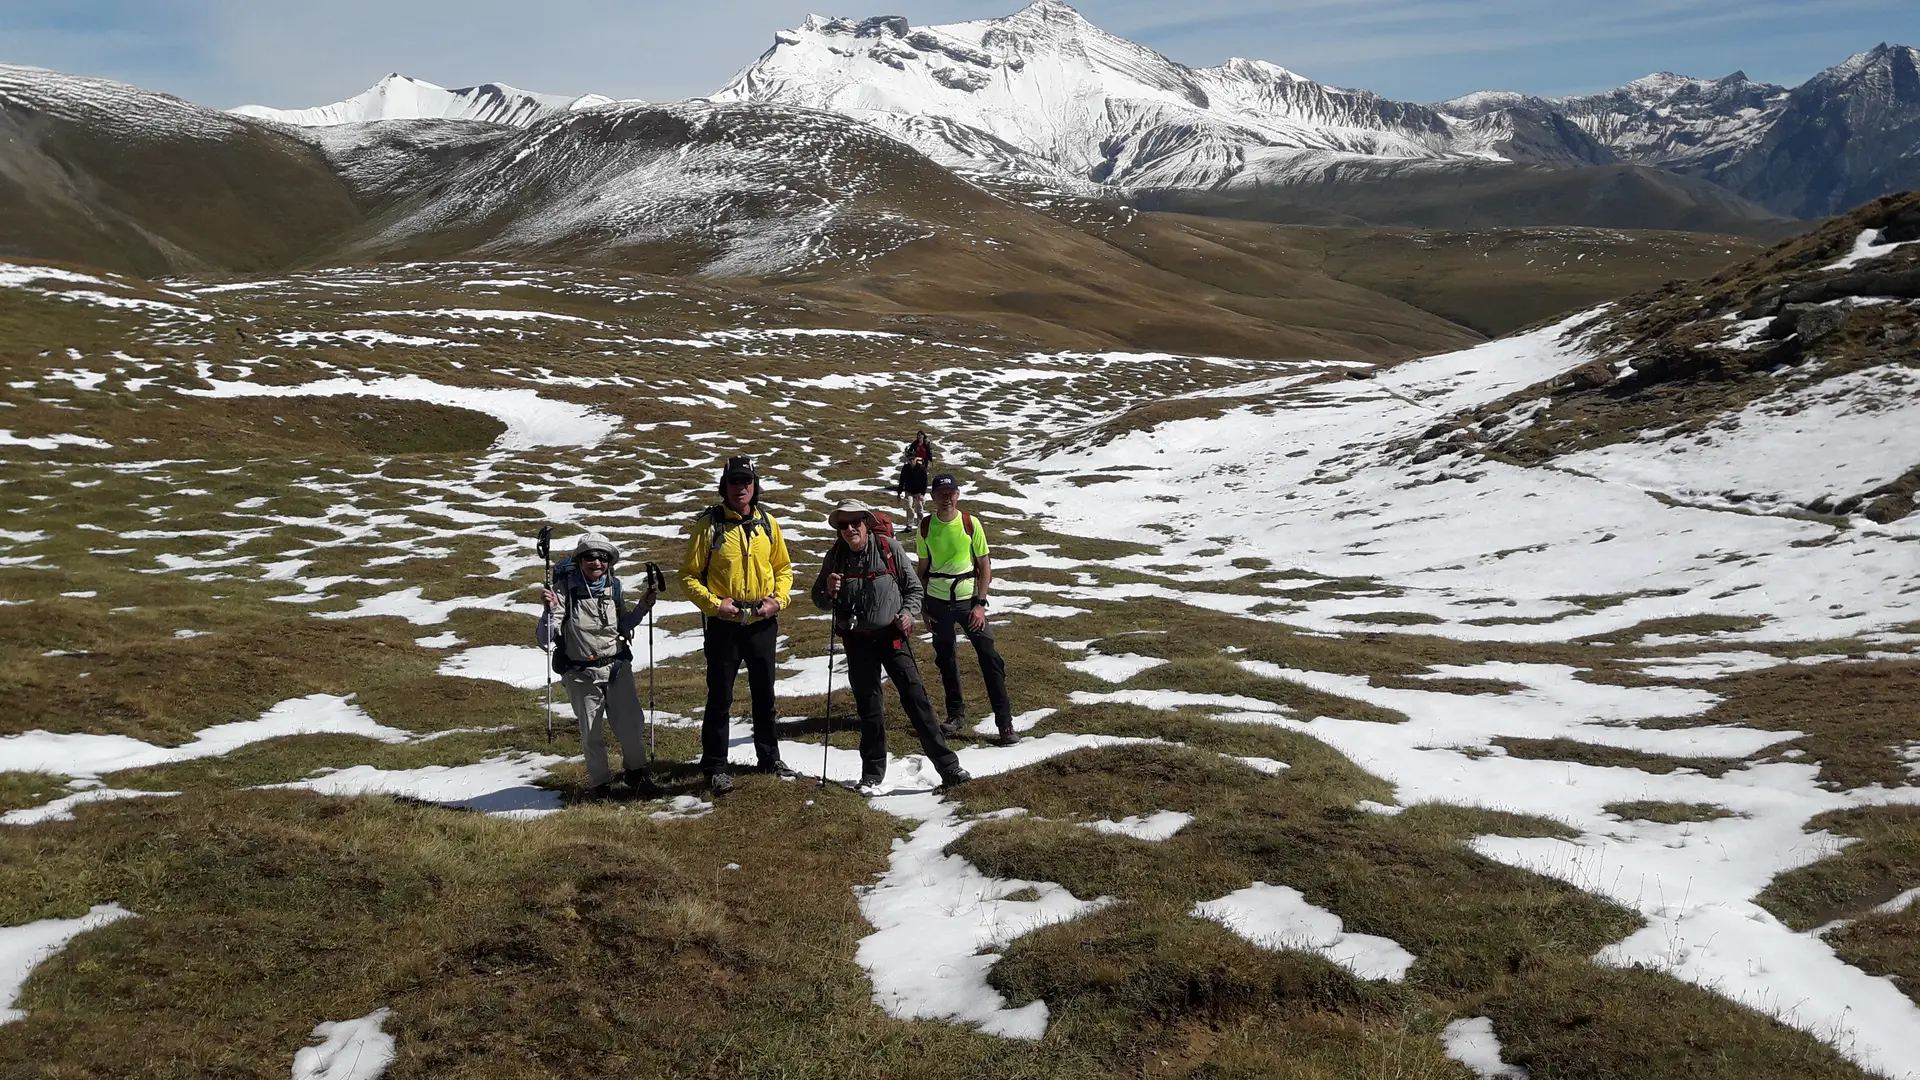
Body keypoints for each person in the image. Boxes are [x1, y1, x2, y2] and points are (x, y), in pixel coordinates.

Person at [812, 500, 970, 795]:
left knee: (916, 701)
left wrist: (908, 614)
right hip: (856, 641)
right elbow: (818, 597)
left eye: (855, 523)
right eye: (843, 526)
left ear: (866, 523)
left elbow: (914, 589)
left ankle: (949, 767)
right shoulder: (834, 556)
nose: (849, 530)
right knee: (869, 708)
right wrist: (827, 592)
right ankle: (872, 774)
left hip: (892, 638)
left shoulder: (888, 548)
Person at [680, 455, 794, 795]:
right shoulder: (709, 525)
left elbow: (784, 570)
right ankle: (715, 766)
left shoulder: (769, 524)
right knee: (720, 698)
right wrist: (716, 606)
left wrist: (778, 601)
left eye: (747, 481)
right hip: (723, 626)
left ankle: (769, 759)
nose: (740, 488)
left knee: (765, 695)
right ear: (724, 486)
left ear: (755, 486)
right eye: (734, 481)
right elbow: (688, 576)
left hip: (762, 622)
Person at [537, 532, 661, 799]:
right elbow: (544, 638)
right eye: (590, 557)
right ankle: (600, 785)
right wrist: (549, 612)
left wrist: (641, 608)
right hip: (580, 673)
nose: (596, 563)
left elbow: (623, 626)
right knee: (591, 731)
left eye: (602, 557)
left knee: (631, 725)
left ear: (608, 561)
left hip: (616, 667)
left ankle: (635, 774)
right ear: (580, 560)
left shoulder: (614, 587)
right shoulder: (562, 592)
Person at [917, 474, 1018, 747]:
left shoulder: (970, 524)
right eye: (941, 493)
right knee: (946, 659)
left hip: (969, 602)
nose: (946, 497)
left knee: (990, 657)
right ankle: (955, 716)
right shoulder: (925, 527)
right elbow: (922, 570)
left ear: (957, 495)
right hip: (938, 603)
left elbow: (985, 567)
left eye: (951, 492)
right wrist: (924, 608)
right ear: (933, 496)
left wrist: (980, 604)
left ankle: (1005, 723)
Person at [898, 430, 935, 529]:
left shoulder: (922, 468)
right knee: (909, 507)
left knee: (919, 508)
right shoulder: (905, 468)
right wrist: (899, 492)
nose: (911, 461)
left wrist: (923, 494)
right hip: (909, 491)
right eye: (909, 459)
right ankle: (909, 524)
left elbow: (925, 482)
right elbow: (902, 480)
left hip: (919, 492)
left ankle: (920, 524)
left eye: (912, 459)